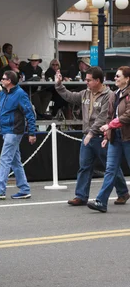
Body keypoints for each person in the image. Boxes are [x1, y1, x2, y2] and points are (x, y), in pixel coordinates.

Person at [54, 66, 128, 206]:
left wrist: (92, 132)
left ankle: (123, 191)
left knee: (110, 167)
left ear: (98, 80)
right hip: (87, 135)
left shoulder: (109, 95)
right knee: (84, 166)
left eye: (89, 80)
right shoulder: (85, 93)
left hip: (102, 136)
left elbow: (103, 117)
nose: (86, 82)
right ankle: (81, 195)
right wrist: (59, 85)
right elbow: (70, 97)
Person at [0, 70, 36, 200]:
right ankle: (24, 188)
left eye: (3, 79)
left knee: (5, 159)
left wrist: (32, 133)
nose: (1, 80)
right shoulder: (5, 92)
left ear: (9, 81)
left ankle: (0, 189)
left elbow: (30, 114)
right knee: (15, 161)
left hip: (13, 131)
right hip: (8, 131)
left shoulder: (20, 94)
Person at [87, 66, 130, 213]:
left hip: (128, 137)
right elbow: (109, 115)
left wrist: (109, 125)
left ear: (127, 79)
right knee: (110, 169)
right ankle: (101, 201)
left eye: (118, 76)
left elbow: (127, 115)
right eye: (115, 76)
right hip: (116, 137)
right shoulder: (115, 94)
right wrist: (107, 135)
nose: (116, 78)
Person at [22, 54, 51, 119]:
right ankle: (40, 115)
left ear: (38, 62)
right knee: (35, 96)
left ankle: (41, 113)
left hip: (37, 90)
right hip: (27, 91)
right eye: (32, 60)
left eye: (35, 60)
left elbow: (42, 78)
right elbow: (24, 81)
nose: (34, 62)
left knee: (48, 94)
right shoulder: (26, 68)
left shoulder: (39, 69)